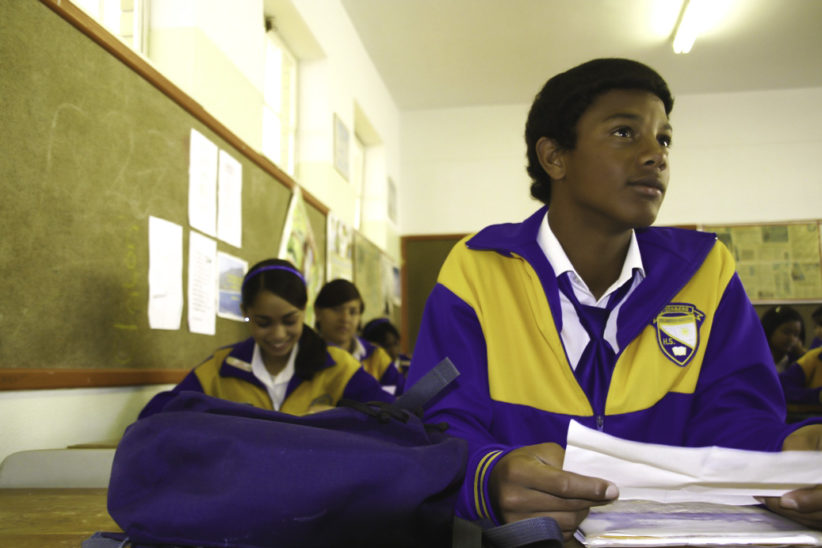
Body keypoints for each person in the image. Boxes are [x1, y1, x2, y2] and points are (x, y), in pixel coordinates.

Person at [406, 58, 822, 540]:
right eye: (625, 133)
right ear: (555, 157)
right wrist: (489, 475)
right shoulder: (477, 267)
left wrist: (789, 448)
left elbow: (735, 421)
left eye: (664, 139)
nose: (656, 155)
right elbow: (442, 426)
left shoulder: (708, 270)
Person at [139, 259, 393, 418]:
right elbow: (154, 416)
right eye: (263, 323)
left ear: (305, 311)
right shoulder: (222, 368)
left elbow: (393, 415)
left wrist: (342, 416)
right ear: (244, 313)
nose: (278, 335)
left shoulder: (337, 366)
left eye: (290, 321)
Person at [314, 279, 405, 394]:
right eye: (336, 310)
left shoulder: (375, 357)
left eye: (353, 312)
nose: (345, 319)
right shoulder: (304, 355)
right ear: (317, 312)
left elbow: (403, 397)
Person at [761, 305, 807, 372]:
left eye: (796, 335)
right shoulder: (757, 359)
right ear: (769, 330)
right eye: (786, 332)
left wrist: (805, 355)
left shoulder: (797, 362)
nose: (792, 339)